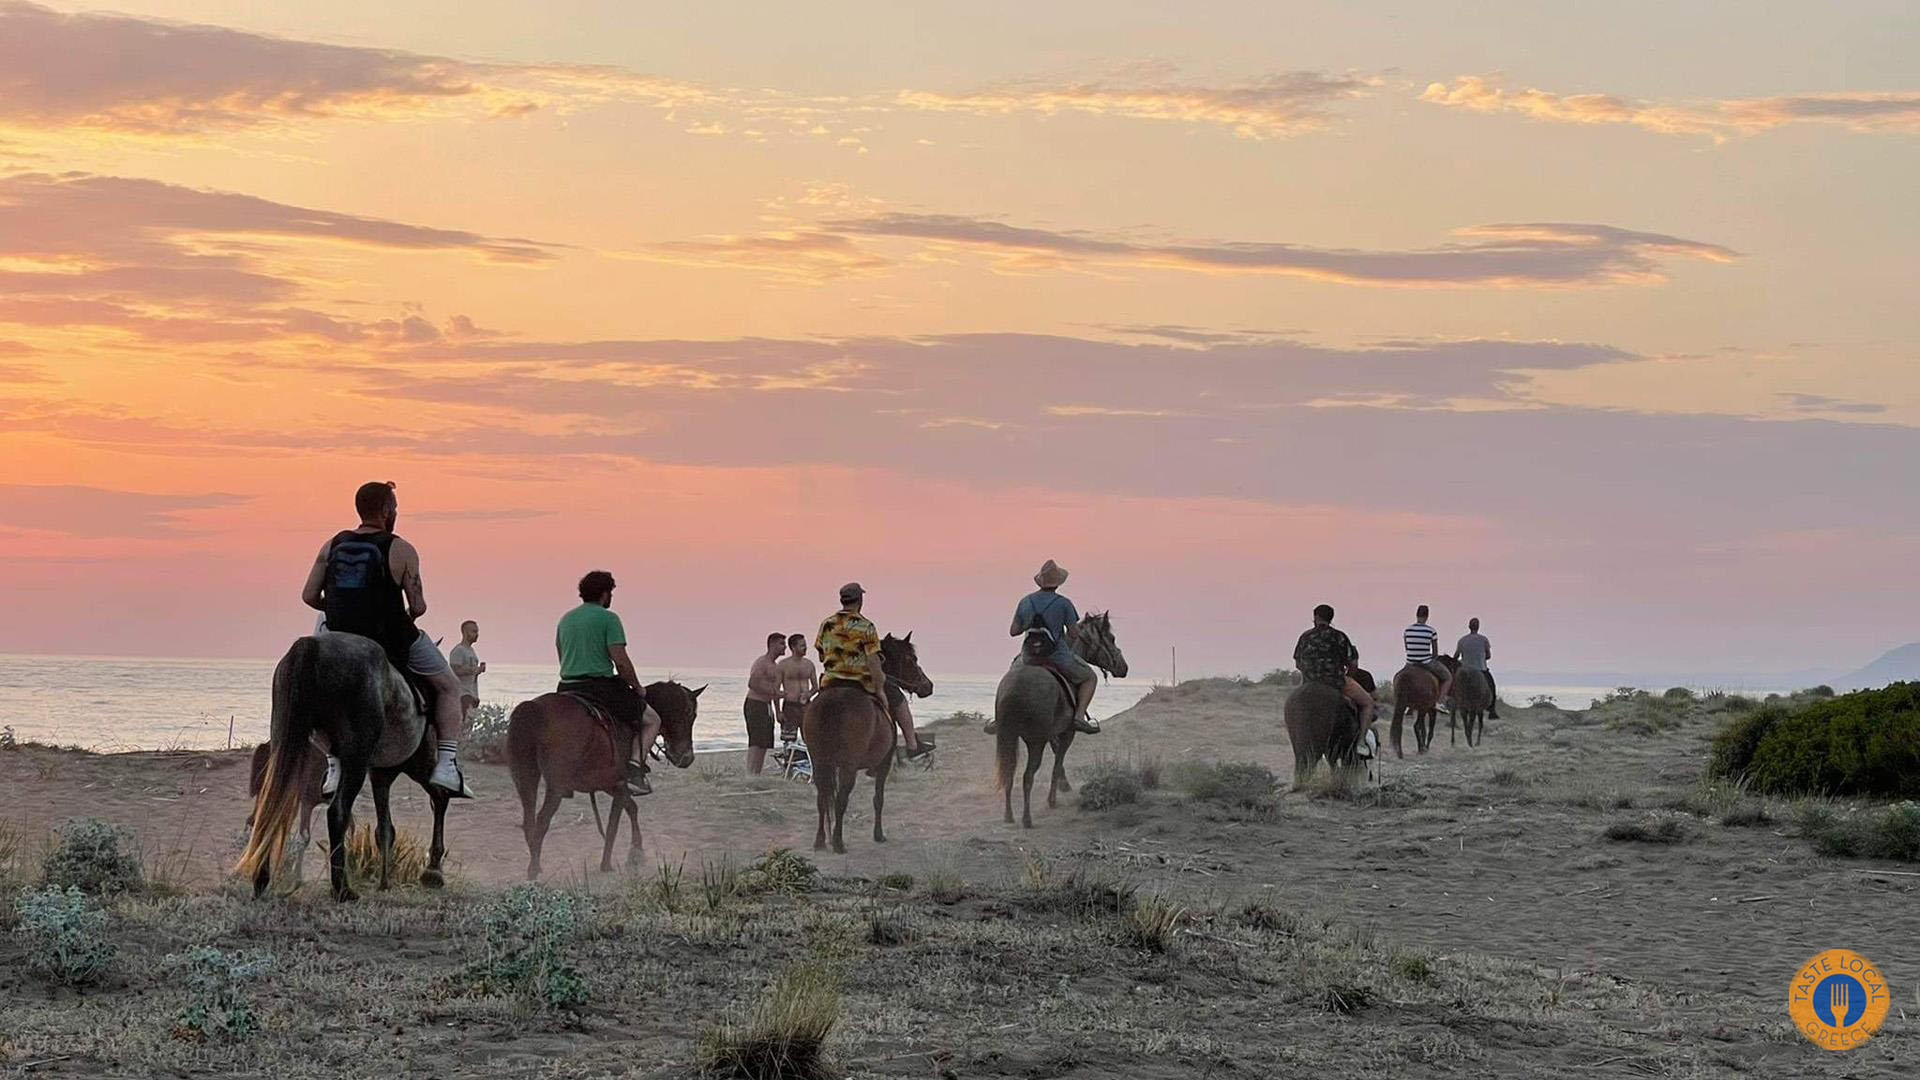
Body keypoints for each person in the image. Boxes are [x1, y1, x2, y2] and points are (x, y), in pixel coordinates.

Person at [301, 481, 472, 799]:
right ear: (386, 510)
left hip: (339, 637)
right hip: (391, 637)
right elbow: (418, 606)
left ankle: (332, 762)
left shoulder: (331, 546)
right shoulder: (401, 548)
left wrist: (343, 610)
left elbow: (309, 595)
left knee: (306, 699)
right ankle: (447, 765)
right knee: (450, 687)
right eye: (394, 508)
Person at [555, 570, 655, 796]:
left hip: (567, 687)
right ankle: (635, 770)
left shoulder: (566, 619)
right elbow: (620, 660)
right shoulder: (609, 619)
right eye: (610, 593)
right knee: (651, 720)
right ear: (604, 594)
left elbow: (562, 655)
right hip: (599, 688)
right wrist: (638, 687)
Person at [815, 583, 933, 758]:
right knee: (898, 700)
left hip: (831, 681)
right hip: (860, 681)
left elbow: (821, 655)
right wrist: (879, 689)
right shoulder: (866, 626)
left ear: (842, 600)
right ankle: (912, 746)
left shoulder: (826, 624)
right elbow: (873, 661)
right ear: (860, 600)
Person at [986, 559, 1100, 735]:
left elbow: (1014, 631)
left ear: (1041, 581)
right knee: (1090, 677)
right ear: (1058, 583)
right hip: (1057, 655)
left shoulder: (1025, 601)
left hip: (1028, 657)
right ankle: (1079, 717)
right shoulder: (1064, 603)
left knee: (1009, 678)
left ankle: (998, 719)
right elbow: (1073, 634)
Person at [1293, 604, 1376, 726]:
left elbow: (1298, 663)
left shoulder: (1305, 636)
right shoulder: (1339, 636)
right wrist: (1348, 676)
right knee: (1368, 704)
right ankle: (1361, 742)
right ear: (1331, 618)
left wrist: (1310, 672)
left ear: (1316, 617)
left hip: (1309, 681)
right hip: (1335, 682)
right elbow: (1353, 663)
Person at [744, 633, 786, 774]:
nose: (784, 646)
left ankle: (757, 772)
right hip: (755, 704)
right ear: (773, 644)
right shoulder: (762, 662)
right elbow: (753, 683)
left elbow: (774, 692)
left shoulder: (775, 666)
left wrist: (778, 711)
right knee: (756, 740)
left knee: (764, 741)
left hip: (767, 706)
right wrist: (774, 692)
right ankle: (750, 773)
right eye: (781, 643)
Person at [1404, 604, 1453, 710]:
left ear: (1416, 615)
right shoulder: (1431, 631)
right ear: (1427, 616)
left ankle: (1407, 705)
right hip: (1425, 661)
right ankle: (1440, 703)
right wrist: (1432, 658)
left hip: (1410, 662)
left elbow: (1407, 648)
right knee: (1448, 677)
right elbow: (1435, 652)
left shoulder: (1407, 630)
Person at [1454, 617, 1498, 719]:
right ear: (1478, 627)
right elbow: (1488, 655)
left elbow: (1456, 656)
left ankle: (1452, 703)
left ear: (1469, 627)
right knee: (1491, 685)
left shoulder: (1462, 640)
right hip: (1481, 669)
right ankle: (1492, 710)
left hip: (1465, 670)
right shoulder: (1484, 639)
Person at [776, 633, 817, 740]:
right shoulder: (783, 665)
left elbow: (815, 687)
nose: (805, 648)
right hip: (790, 706)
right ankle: (788, 756)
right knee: (788, 739)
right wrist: (778, 711)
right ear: (793, 647)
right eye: (802, 645)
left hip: (806, 706)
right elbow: (775, 690)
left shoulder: (809, 664)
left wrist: (809, 694)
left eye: (805, 645)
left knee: (809, 738)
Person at [449, 620, 485, 727]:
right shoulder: (458, 650)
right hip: (462, 694)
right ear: (465, 632)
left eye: (477, 631)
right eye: (473, 631)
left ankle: (468, 743)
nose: (477, 634)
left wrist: (478, 671)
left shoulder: (471, 650)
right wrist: (475, 670)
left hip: (472, 693)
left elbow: (472, 674)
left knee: (470, 725)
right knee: (464, 724)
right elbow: (454, 671)